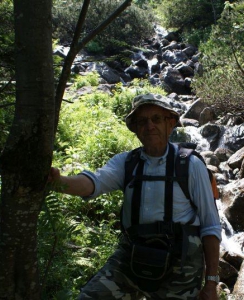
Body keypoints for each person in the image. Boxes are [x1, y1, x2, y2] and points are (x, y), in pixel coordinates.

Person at [48, 93, 222, 300]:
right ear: (136, 129)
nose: (149, 126)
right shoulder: (126, 163)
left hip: (181, 263)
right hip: (132, 254)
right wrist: (59, 182)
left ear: (171, 123)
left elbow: (210, 225)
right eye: (142, 121)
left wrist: (211, 282)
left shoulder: (191, 165)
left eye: (156, 119)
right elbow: (92, 183)